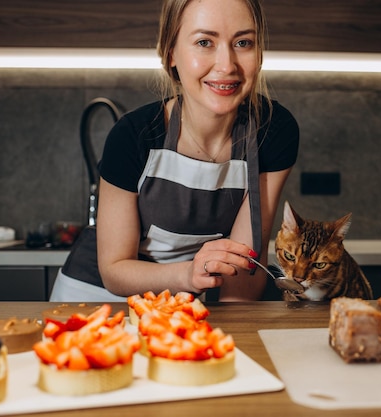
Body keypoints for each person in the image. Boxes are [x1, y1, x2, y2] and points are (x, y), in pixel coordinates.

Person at [50, 0, 299, 302]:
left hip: (182, 302)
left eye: (243, 42)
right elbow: (114, 270)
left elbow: (244, 264)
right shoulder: (134, 135)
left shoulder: (272, 131)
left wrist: (236, 331)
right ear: (171, 53)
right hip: (94, 298)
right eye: (204, 42)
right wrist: (187, 275)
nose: (227, 65)